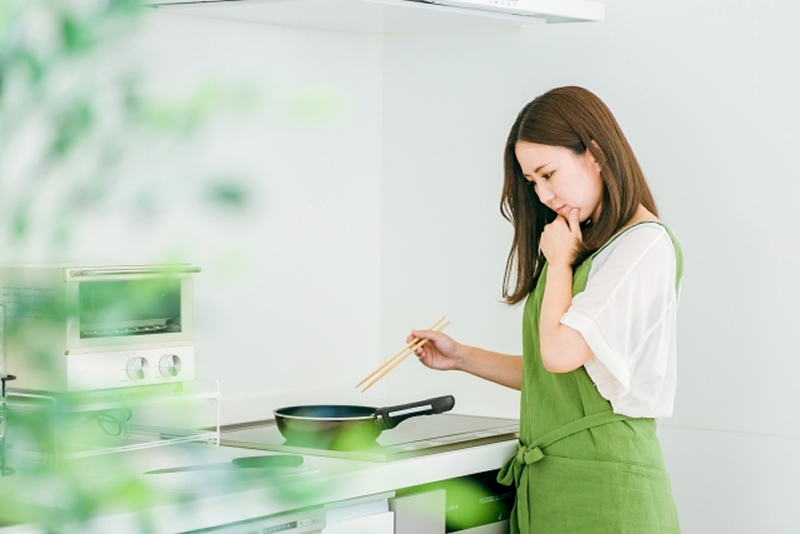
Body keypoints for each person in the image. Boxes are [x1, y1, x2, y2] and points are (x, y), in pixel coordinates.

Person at [408, 86, 683, 533]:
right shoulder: (595, 247)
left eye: (548, 173)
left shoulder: (643, 245)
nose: (543, 195)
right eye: (533, 182)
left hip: (606, 488)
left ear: (595, 153)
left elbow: (558, 353)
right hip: (556, 482)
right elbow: (555, 376)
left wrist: (558, 262)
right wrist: (460, 357)